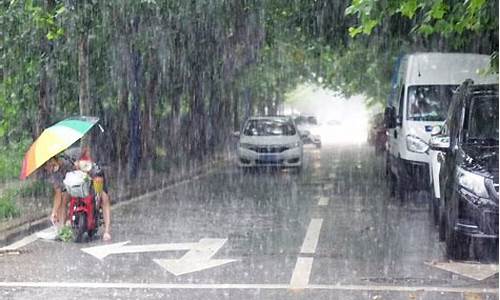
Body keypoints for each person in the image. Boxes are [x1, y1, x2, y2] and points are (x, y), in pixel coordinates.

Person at [43, 148, 112, 241]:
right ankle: (62, 229)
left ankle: (107, 230)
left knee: (104, 198)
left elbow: (86, 150)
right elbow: (58, 193)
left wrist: (80, 163)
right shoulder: (55, 174)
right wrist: (54, 212)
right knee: (64, 200)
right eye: (47, 166)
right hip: (74, 186)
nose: (50, 167)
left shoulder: (70, 155)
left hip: (91, 174)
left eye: (50, 163)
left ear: (55, 159)